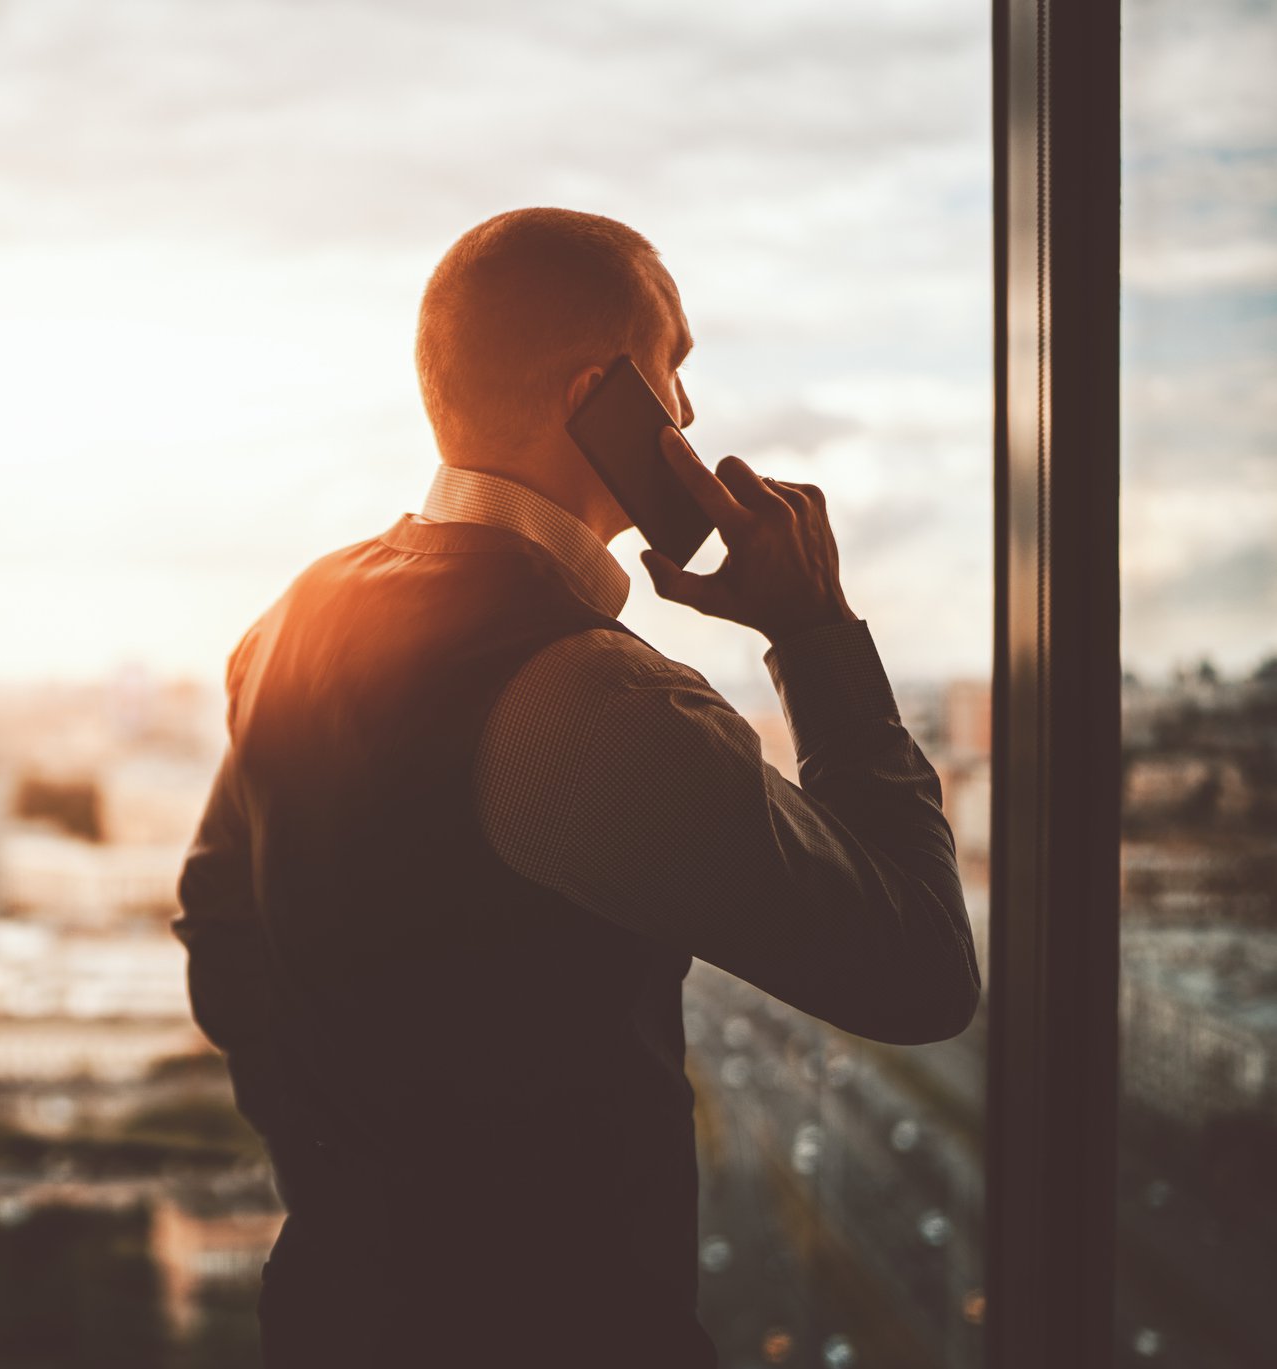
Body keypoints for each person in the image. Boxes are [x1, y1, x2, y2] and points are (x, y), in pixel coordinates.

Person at [172, 207, 980, 1367]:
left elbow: (220, 923)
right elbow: (921, 973)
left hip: (327, 1312)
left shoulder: (296, 613)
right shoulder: (593, 700)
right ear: (598, 393)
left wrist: (346, 1161)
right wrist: (813, 631)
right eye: (674, 367)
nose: (691, 413)